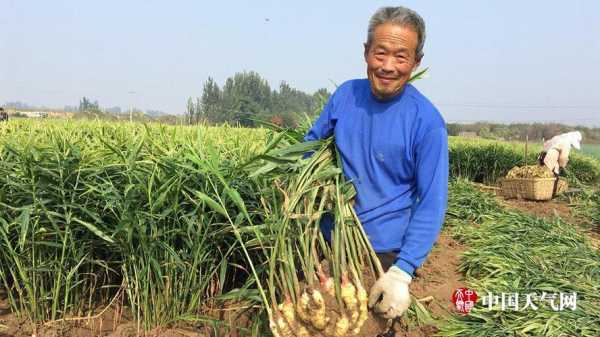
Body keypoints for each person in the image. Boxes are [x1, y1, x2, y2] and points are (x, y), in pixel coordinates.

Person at [304, 6, 448, 320]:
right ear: (366, 52)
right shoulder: (346, 95)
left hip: (380, 256)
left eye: (401, 56)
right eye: (380, 53)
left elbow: (431, 203)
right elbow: (309, 148)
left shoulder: (427, 123)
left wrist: (403, 271)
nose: (388, 66)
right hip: (326, 241)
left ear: (416, 62)